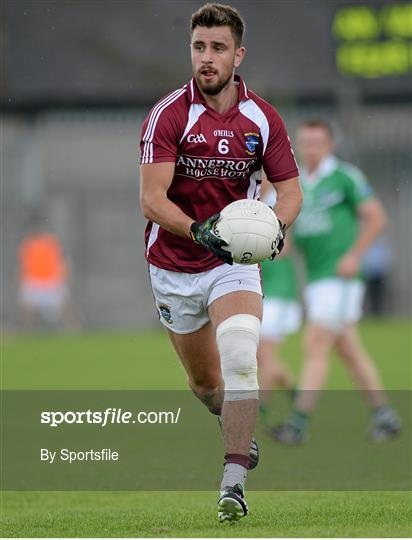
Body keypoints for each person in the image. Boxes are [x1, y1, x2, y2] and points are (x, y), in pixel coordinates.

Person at [139, 3, 302, 522]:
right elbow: (152, 199)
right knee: (208, 385)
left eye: (218, 48)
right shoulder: (168, 115)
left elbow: (291, 192)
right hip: (173, 263)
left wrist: (276, 226)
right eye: (199, 47)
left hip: (232, 264)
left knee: (240, 355)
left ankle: (233, 481)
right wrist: (198, 230)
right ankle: (226, 418)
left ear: (238, 55)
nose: (206, 58)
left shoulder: (262, 118)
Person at [273, 120, 401, 445]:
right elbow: (288, 241)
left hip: (341, 278)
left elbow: (376, 217)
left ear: (330, 145)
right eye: (305, 142)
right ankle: (384, 415)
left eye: (317, 142)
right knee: (349, 351)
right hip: (316, 279)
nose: (311, 147)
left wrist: (355, 255)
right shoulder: (295, 183)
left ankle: (298, 423)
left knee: (315, 344)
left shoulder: (345, 176)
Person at [257, 183, 301, 426]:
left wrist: (251, 242)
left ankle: (259, 409)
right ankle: (295, 392)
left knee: (265, 353)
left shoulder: (280, 202)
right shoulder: (245, 200)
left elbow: (286, 249)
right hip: (259, 289)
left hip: (279, 290)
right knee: (260, 355)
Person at [18, 220, 76, 332]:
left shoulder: (50, 242)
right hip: (34, 279)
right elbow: (25, 263)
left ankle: (72, 328)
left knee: (65, 305)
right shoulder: (28, 244)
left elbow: (61, 259)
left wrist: (64, 273)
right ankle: (27, 330)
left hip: (51, 279)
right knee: (27, 307)